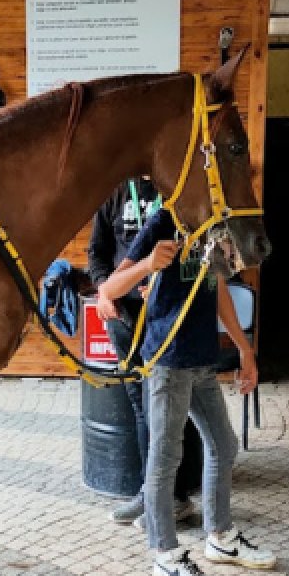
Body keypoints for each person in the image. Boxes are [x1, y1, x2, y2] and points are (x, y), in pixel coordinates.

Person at [96, 208, 277, 576]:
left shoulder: (211, 227)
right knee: (164, 459)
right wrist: (148, 264)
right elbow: (109, 289)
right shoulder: (163, 222)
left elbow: (219, 291)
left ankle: (220, 536)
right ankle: (165, 555)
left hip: (201, 361)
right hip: (167, 362)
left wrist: (245, 350)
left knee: (223, 445)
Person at [87, 178, 194, 525]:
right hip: (123, 315)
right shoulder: (115, 190)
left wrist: (166, 287)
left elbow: (192, 253)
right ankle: (151, 492)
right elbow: (97, 253)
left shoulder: (173, 191)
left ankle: (173, 494)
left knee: (167, 403)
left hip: (163, 316)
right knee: (140, 403)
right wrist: (106, 293)